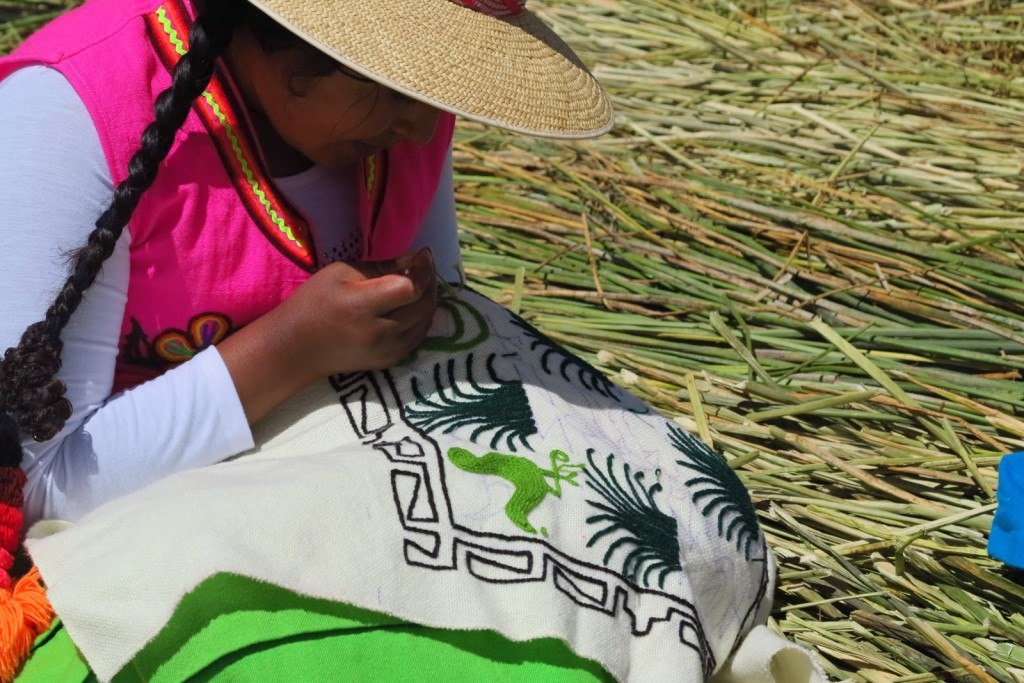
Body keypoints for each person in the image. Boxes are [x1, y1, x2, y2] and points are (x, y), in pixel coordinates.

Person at [0, 0, 613, 671]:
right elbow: (39, 481)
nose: (423, 124)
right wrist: (290, 349)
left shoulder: (404, 122)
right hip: (120, 548)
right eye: (401, 79)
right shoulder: (70, 117)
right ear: (280, 35)